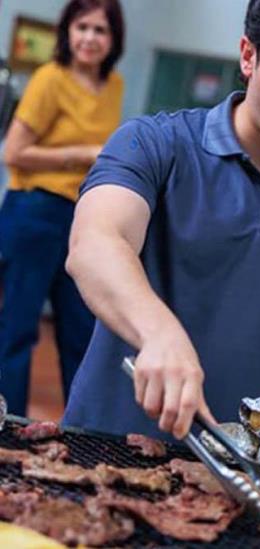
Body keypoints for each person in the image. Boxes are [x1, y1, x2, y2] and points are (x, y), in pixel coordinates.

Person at [62, 0, 260, 455]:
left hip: (248, 478)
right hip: (106, 451)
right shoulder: (156, 145)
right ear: (248, 56)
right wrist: (159, 333)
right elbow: (96, 243)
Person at [0, 0, 125, 416]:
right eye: (82, 27)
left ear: (114, 39)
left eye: (100, 30)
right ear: (66, 32)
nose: (89, 38)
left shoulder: (114, 86)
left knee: (81, 331)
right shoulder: (49, 79)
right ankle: (12, 427)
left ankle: (82, 427)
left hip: (83, 219)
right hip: (34, 211)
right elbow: (12, 153)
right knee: (18, 328)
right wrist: (83, 153)